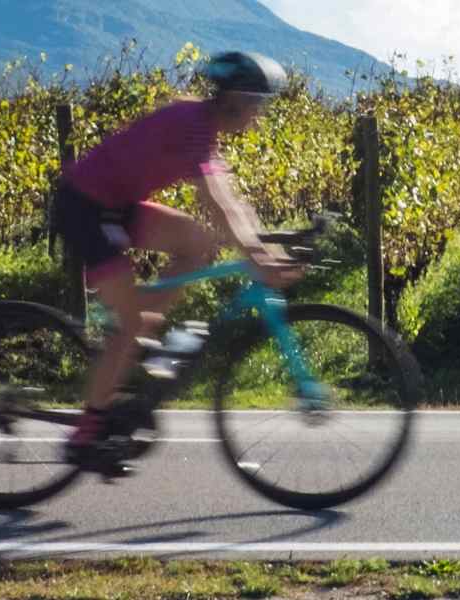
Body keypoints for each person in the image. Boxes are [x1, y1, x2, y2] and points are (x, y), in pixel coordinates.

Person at [55, 51, 301, 469]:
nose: (259, 117)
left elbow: (232, 205)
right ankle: (86, 434)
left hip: (117, 205)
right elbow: (219, 204)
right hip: (83, 207)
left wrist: (266, 248)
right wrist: (260, 258)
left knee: (198, 242)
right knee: (131, 323)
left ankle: (138, 331)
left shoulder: (203, 127)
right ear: (236, 102)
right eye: (258, 106)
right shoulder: (192, 125)